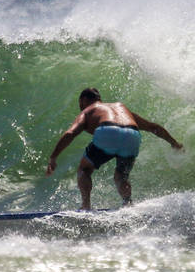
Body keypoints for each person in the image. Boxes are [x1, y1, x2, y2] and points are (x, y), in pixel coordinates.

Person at [46, 88, 183, 209]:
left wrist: (53, 157)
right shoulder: (121, 108)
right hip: (133, 135)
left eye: (80, 104)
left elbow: (71, 133)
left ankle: (86, 206)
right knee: (121, 176)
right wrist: (174, 143)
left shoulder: (89, 110)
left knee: (84, 169)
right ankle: (127, 203)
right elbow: (153, 127)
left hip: (108, 131)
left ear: (84, 100)